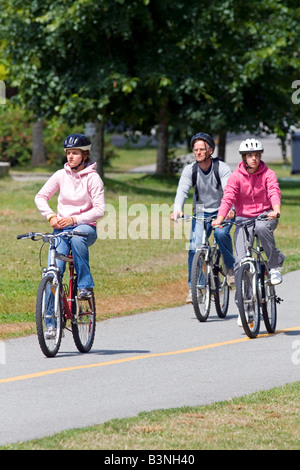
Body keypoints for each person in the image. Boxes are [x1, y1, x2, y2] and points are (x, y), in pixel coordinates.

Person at [35, 133, 105, 338]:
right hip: (60, 230)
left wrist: (74, 220)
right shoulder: (60, 175)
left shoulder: (93, 178)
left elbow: (99, 210)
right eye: (68, 153)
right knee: (53, 272)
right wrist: (50, 216)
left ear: (84, 155)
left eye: (75, 153)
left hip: (85, 228)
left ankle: (84, 286)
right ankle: (50, 323)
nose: (70, 157)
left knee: (76, 237)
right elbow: (41, 196)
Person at [170, 132, 235, 303]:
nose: (198, 152)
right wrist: (177, 209)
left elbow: (229, 191)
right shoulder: (190, 170)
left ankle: (230, 268)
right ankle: (195, 289)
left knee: (221, 235)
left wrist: (230, 209)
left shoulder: (221, 167)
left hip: (223, 210)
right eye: (195, 150)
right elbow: (182, 191)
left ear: (210, 150)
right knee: (194, 248)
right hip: (200, 212)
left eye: (201, 149)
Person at [212, 138, 285, 286]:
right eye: (250, 155)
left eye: (257, 155)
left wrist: (276, 210)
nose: (254, 159)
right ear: (244, 157)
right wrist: (220, 218)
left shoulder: (268, 174)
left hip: (265, 215)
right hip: (243, 219)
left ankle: (274, 267)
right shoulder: (235, 176)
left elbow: (274, 191)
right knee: (240, 261)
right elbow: (228, 198)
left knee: (262, 227)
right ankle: (245, 302)